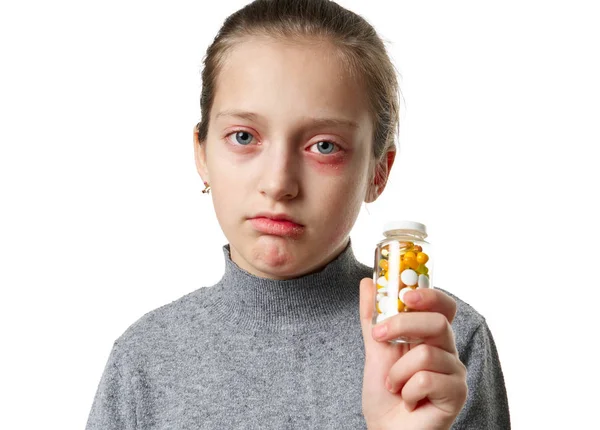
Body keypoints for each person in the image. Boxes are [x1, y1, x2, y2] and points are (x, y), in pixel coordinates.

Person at [85, 0, 510, 428]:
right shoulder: (144, 358)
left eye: (324, 146)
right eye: (244, 136)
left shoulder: (440, 347)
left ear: (377, 172)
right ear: (202, 154)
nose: (278, 182)